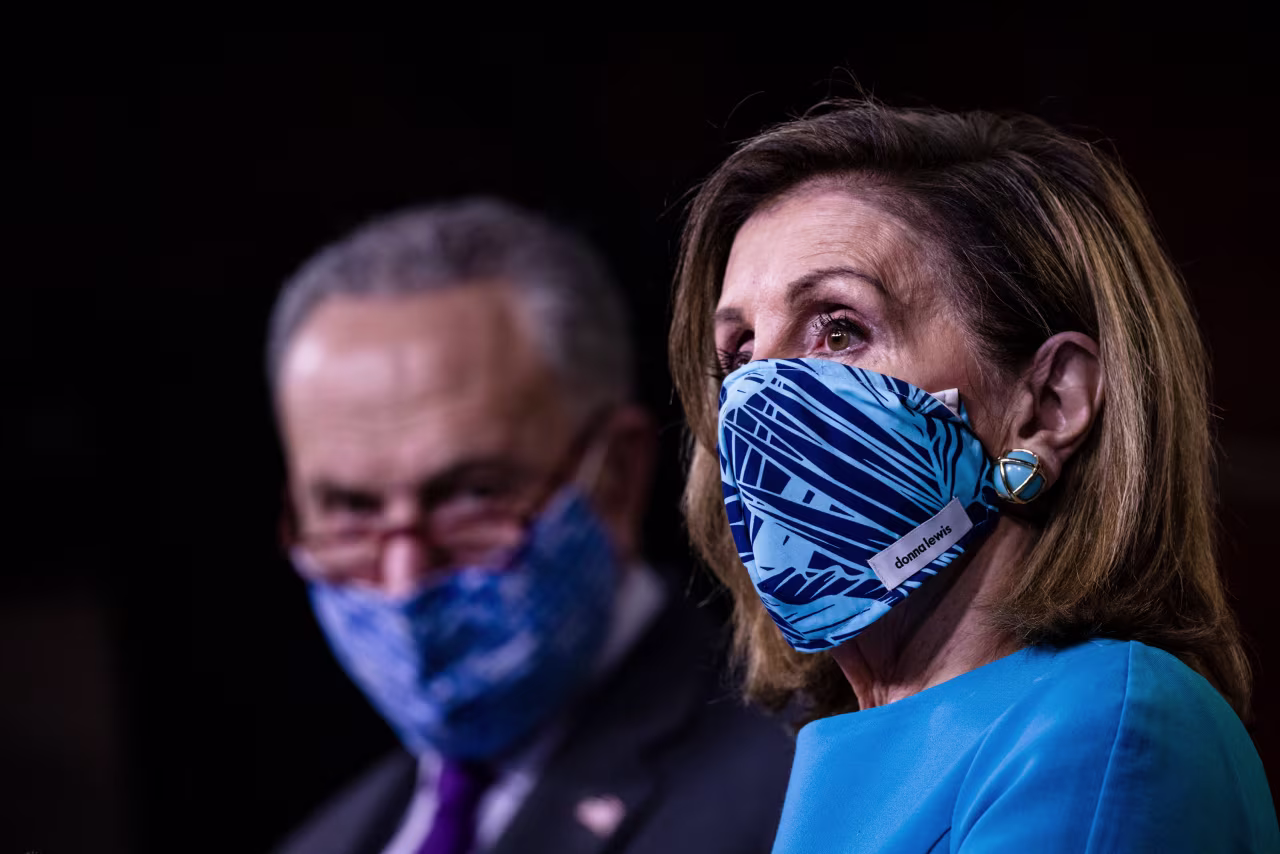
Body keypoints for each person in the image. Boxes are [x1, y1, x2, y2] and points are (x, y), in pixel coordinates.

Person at [668, 100, 1280, 852]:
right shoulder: (837, 753)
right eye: (738, 357)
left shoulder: (1100, 733)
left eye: (839, 329)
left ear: (1049, 403)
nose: (760, 402)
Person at [268, 198, 793, 854]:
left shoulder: (802, 794)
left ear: (616, 477)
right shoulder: (323, 842)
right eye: (351, 509)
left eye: (473, 495)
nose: (404, 580)